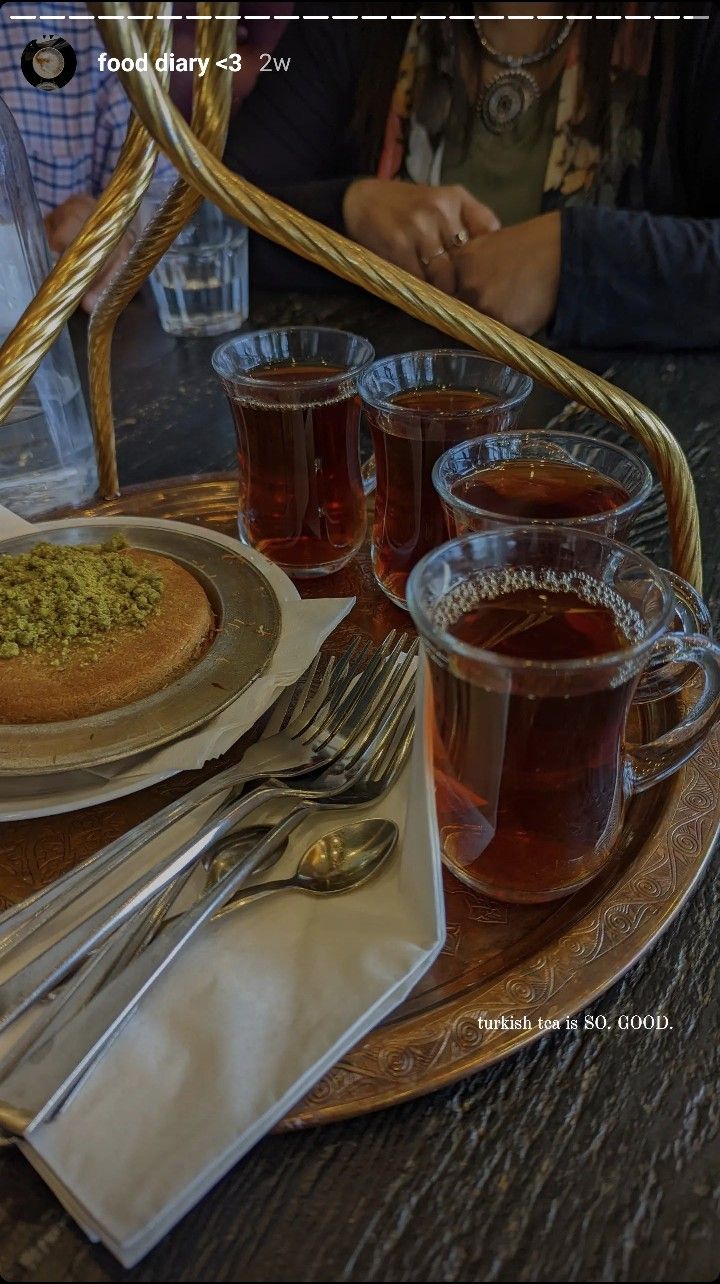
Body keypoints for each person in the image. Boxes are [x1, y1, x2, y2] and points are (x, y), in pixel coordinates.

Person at [224, 3, 720, 350]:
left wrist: (578, 259)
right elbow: (206, 216)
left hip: (638, 455)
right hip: (400, 438)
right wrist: (349, 209)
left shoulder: (690, 27)